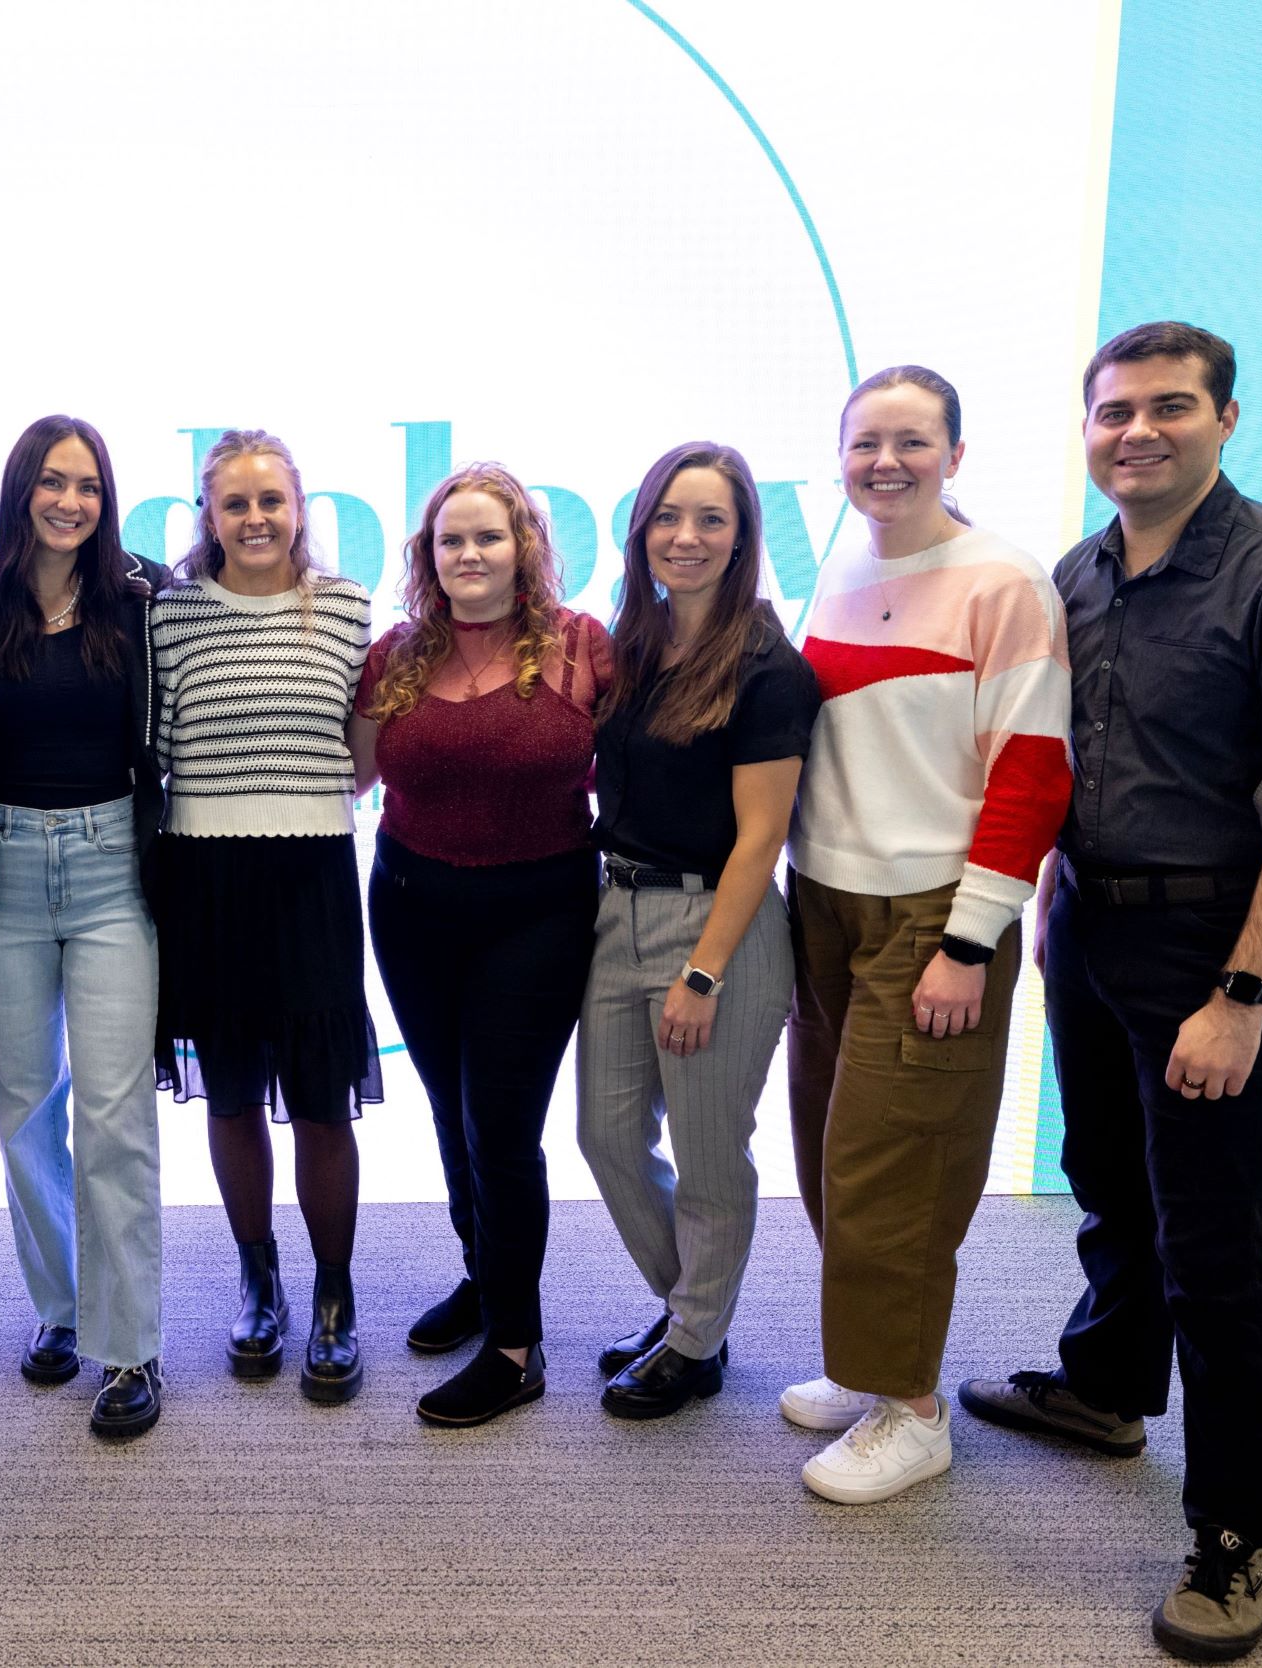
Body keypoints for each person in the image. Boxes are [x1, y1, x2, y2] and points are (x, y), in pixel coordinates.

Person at [959, 323, 1262, 1663]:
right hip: (1091, 922)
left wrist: (1245, 992)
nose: (1135, 432)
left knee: (1213, 1236)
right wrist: (1033, 916)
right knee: (1108, 1175)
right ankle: (1105, 1386)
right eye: (1112, 412)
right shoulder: (1079, 574)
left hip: (1219, 944)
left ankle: (1239, 1528)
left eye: (1168, 408)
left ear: (1227, 418)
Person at [782, 365, 1072, 1503]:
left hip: (930, 913)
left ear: (956, 452)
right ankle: (874, 1361)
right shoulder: (847, 565)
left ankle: (910, 1408)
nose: (884, 463)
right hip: (825, 900)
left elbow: (1032, 770)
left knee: (890, 1162)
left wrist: (968, 940)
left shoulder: (1000, 579)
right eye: (864, 443)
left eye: (910, 441)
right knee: (826, 1151)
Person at [348, 463, 607, 1426]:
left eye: (488, 537)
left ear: (524, 547)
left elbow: (640, 774)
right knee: (452, 1113)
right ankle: (481, 1275)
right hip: (412, 903)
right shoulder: (397, 655)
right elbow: (356, 777)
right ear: (429, 556)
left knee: (501, 1127)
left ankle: (515, 1345)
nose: (469, 554)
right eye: (450, 540)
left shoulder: (583, 648)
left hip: (539, 909)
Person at [0, 416, 169, 1437]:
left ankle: (129, 1351)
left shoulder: (144, 592)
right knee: (23, 1106)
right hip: (6, 868)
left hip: (115, 862)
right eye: (52, 481)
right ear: (20, 486)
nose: (71, 502)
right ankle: (62, 1311)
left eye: (89, 485)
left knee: (115, 1115)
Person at [574, 443, 820, 1422]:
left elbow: (763, 836)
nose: (685, 537)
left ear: (742, 536)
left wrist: (704, 974)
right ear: (640, 532)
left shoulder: (768, 669)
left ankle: (693, 1340)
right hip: (616, 909)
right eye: (668, 517)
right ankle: (692, 1316)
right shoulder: (628, 649)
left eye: (710, 519)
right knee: (604, 1136)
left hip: (716, 924)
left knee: (712, 1154)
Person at [152, 428, 378, 1403]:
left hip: (311, 876)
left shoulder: (346, 611)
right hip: (203, 877)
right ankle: (260, 1280)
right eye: (234, 504)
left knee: (322, 1102)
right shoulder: (171, 619)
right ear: (208, 517)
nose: (254, 519)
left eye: (270, 501)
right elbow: (156, 750)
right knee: (235, 1095)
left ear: (299, 510)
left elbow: (362, 758)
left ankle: (334, 1297)